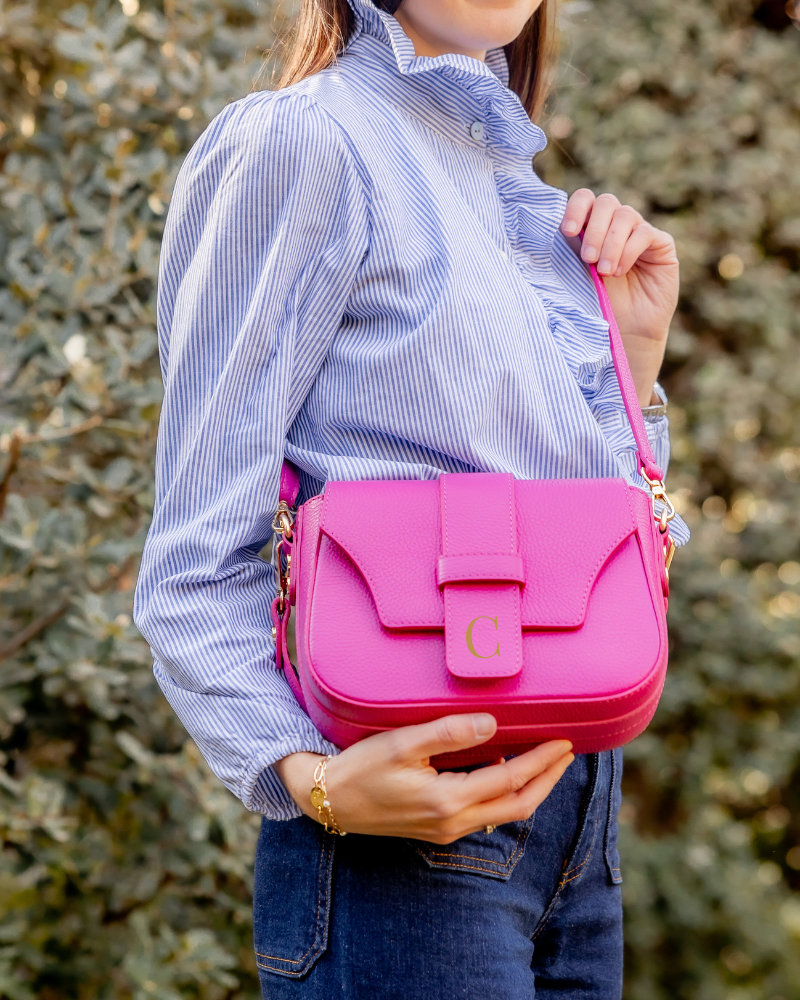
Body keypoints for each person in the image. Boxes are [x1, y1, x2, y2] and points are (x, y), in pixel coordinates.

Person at [134, 0, 688, 995]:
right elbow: (192, 557)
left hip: (577, 822)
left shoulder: (510, 186)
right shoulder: (305, 142)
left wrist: (631, 357)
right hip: (398, 830)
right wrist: (313, 782)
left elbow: (613, 555)